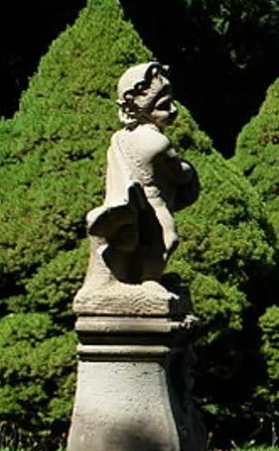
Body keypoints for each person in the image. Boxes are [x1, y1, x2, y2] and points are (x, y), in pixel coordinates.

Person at [77, 63, 199, 308]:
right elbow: (179, 173)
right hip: (155, 203)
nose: (173, 110)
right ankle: (149, 280)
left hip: (134, 202)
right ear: (142, 108)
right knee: (167, 238)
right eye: (164, 106)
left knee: (145, 242)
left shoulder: (121, 137)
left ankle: (135, 277)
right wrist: (189, 172)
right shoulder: (158, 142)